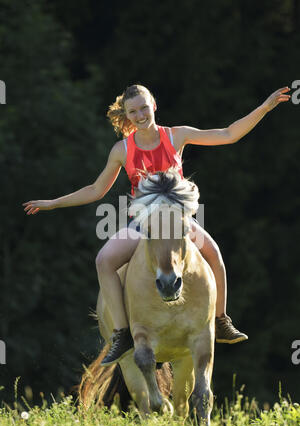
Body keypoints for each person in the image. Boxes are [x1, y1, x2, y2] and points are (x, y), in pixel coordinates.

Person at [23, 84, 291, 366]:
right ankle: (122, 333)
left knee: (215, 255)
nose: (139, 115)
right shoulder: (121, 150)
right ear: (126, 116)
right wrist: (53, 203)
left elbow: (228, 134)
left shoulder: (177, 136)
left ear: (154, 105)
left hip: (178, 223)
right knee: (103, 260)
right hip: (142, 225)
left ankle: (221, 321)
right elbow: (95, 190)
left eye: (143, 107)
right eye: (132, 111)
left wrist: (265, 107)